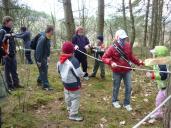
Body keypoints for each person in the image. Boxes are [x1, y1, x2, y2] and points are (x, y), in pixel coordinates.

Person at [102, 29, 144, 111]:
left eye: (124, 38)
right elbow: (104, 58)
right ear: (117, 38)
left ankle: (127, 103)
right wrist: (111, 62)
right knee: (116, 87)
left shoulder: (128, 46)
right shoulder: (112, 48)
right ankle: (114, 101)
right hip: (117, 71)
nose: (123, 40)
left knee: (129, 87)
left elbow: (131, 57)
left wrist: (139, 62)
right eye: (121, 38)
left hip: (127, 70)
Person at [57, 41, 84, 121]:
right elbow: (79, 73)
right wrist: (83, 75)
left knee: (67, 95)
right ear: (73, 51)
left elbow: (58, 71)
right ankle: (73, 114)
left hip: (65, 82)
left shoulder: (60, 60)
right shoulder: (74, 61)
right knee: (75, 98)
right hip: (74, 83)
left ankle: (69, 108)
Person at [145, 46, 169, 121]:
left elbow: (164, 76)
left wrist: (152, 75)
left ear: (159, 55)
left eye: (155, 54)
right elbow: (157, 70)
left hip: (167, 88)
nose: (153, 55)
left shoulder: (162, 64)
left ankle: (164, 116)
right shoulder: (159, 62)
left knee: (164, 102)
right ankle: (159, 113)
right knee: (158, 100)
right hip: (163, 87)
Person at [0, 16, 20, 90]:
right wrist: (4, 54)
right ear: (6, 22)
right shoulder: (2, 31)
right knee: (7, 71)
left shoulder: (10, 31)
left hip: (13, 53)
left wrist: (15, 50)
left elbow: (12, 42)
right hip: (6, 55)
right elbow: (0, 43)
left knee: (14, 70)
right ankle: (10, 86)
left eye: (12, 22)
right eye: (10, 22)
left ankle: (16, 84)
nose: (12, 23)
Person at [35, 25, 54, 91]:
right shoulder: (43, 38)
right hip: (41, 57)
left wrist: (48, 56)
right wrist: (39, 60)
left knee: (44, 69)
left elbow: (47, 48)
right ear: (50, 31)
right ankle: (45, 86)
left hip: (44, 57)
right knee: (44, 70)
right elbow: (38, 50)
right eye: (52, 31)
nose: (53, 32)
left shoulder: (48, 38)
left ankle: (39, 80)